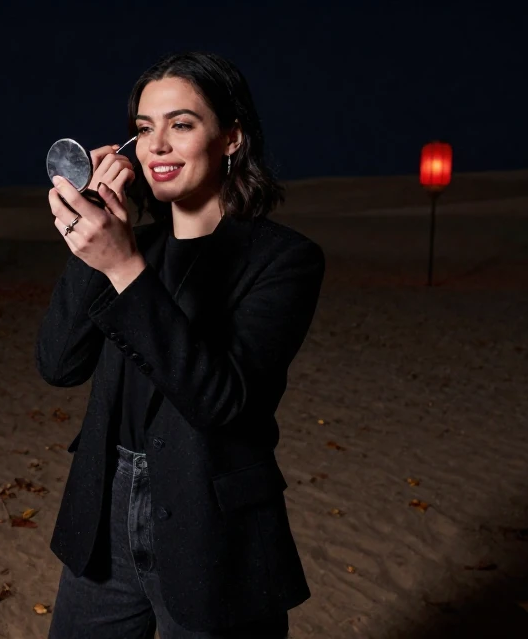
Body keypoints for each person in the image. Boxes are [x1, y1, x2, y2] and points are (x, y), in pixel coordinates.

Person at [35, 51, 326, 638]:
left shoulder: (283, 260)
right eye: (144, 129)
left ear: (230, 139)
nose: (157, 146)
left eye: (182, 124)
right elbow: (59, 364)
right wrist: (96, 237)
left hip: (213, 528)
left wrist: (123, 267)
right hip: (105, 519)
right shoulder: (129, 247)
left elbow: (222, 402)